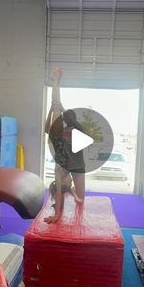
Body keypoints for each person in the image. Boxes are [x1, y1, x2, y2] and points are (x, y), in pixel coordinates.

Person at [44, 68, 85, 223]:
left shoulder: (59, 171)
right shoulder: (69, 172)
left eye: (68, 184)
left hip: (65, 142)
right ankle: (55, 82)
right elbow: (60, 195)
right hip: (73, 157)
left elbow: (60, 191)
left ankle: (55, 82)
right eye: (69, 184)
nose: (70, 182)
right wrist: (56, 215)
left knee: (56, 105)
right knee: (80, 199)